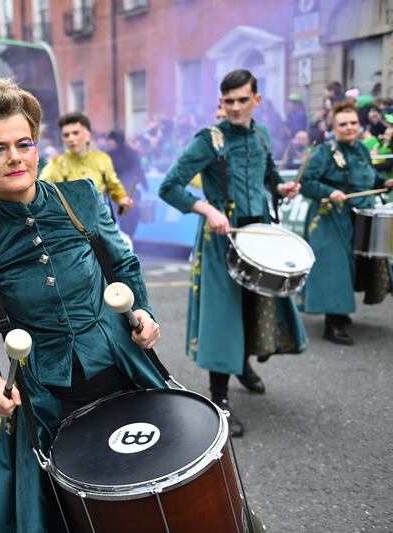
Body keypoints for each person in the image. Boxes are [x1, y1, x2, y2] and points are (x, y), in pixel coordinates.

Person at [0, 77, 164, 532]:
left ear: (37, 148)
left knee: (148, 489)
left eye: (23, 143)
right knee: (72, 514)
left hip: (121, 371)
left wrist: (142, 312)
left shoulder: (81, 198)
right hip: (48, 398)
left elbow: (122, 263)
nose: (14, 157)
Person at [159, 69, 307, 437]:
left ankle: (243, 366)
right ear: (221, 102)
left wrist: (282, 187)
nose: (236, 107)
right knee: (223, 318)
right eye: (229, 101)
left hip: (259, 235)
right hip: (222, 240)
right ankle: (220, 398)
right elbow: (169, 187)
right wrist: (208, 210)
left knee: (254, 306)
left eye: (244, 100)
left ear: (257, 99)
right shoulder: (207, 141)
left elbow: (267, 176)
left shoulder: (262, 134)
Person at [299, 99, 393, 345]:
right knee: (335, 269)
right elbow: (306, 183)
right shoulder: (323, 152)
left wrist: (383, 183)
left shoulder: (361, 149)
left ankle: (339, 312)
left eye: (353, 122)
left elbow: (368, 176)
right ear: (334, 126)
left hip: (358, 216)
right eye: (343, 124)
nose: (349, 127)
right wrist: (329, 192)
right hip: (330, 217)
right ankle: (333, 323)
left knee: (354, 266)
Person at [39, 111, 133, 214]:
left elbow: (114, 186)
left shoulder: (102, 159)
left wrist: (122, 199)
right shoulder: (55, 164)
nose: (71, 138)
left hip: (100, 221)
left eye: (75, 133)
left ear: (88, 135)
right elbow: (40, 191)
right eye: (66, 135)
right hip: (71, 223)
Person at [105, 129, 148, 237]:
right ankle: (129, 238)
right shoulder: (132, 152)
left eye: (109, 140)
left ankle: (126, 239)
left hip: (118, 192)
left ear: (114, 140)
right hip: (133, 190)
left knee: (122, 218)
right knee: (132, 216)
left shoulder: (109, 155)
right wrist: (145, 185)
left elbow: (107, 175)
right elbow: (139, 170)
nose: (108, 143)